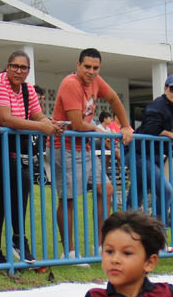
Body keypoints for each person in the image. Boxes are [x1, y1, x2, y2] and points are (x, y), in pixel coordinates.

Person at [50, 48, 132, 258]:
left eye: (95, 68)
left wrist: (125, 126)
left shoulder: (97, 81)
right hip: (65, 145)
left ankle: (102, 246)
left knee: (106, 189)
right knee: (68, 199)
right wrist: (98, 130)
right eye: (87, 67)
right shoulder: (71, 84)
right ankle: (68, 252)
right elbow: (76, 123)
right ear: (78, 65)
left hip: (84, 146)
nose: (91, 71)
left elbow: (114, 99)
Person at [0, 50, 62, 262]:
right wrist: (42, 126)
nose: (19, 71)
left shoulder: (27, 89)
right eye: (14, 66)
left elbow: (38, 115)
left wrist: (50, 124)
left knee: (22, 183)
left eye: (23, 67)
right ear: (7, 67)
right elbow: (5, 119)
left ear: (28, 71)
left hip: (8, 146)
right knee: (1, 193)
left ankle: (17, 239)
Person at [130, 73, 173, 227]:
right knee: (166, 191)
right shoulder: (157, 105)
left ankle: (125, 232)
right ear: (166, 88)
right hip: (140, 153)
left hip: (157, 155)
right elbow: (150, 129)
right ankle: (156, 233)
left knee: (135, 195)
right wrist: (167, 133)